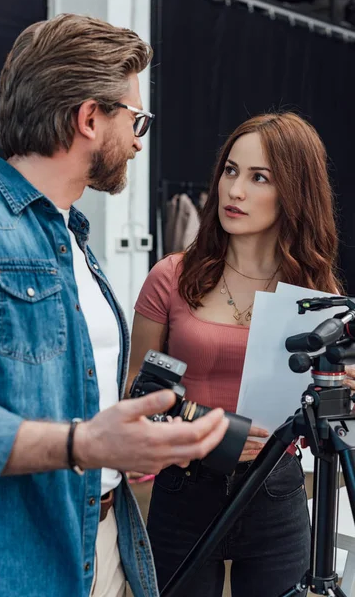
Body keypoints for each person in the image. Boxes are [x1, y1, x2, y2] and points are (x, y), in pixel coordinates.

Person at [0, 14, 230, 597]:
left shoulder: (74, 237)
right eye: (137, 120)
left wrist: (145, 438)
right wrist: (83, 444)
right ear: (88, 118)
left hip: (107, 542)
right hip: (11, 566)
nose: (137, 141)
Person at [128, 112, 345, 597]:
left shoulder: (316, 295)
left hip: (277, 492)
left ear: (294, 191)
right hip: (184, 488)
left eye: (258, 177)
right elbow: (134, 392)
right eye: (230, 170)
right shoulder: (172, 276)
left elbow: (328, 414)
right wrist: (203, 426)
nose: (235, 191)